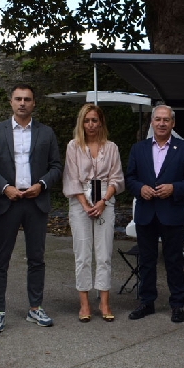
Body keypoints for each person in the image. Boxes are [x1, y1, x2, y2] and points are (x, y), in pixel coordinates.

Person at [0, 83, 62, 332]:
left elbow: (56, 166)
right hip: (8, 202)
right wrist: (5, 187)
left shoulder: (46, 133)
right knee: (0, 259)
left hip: (36, 202)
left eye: (27, 99)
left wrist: (42, 185)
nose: (23, 103)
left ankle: (35, 308)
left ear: (34, 103)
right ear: (11, 102)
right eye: (18, 99)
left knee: (37, 258)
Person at [125, 104, 184, 323]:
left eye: (166, 120)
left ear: (173, 123)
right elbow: (129, 178)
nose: (161, 123)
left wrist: (174, 188)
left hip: (172, 213)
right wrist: (140, 189)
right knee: (146, 260)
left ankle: (177, 304)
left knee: (173, 261)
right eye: (158, 119)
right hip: (146, 213)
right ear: (152, 122)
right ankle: (146, 302)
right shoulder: (138, 149)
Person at [63, 104, 125, 322]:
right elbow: (71, 178)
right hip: (80, 202)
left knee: (104, 253)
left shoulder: (112, 148)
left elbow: (116, 178)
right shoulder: (73, 147)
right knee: (82, 254)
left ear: (101, 123)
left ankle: (105, 301)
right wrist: (85, 203)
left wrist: (103, 201)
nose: (91, 124)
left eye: (94, 120)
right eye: (87, 120)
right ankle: (84, 303)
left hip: (105, 201)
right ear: (82, 123)